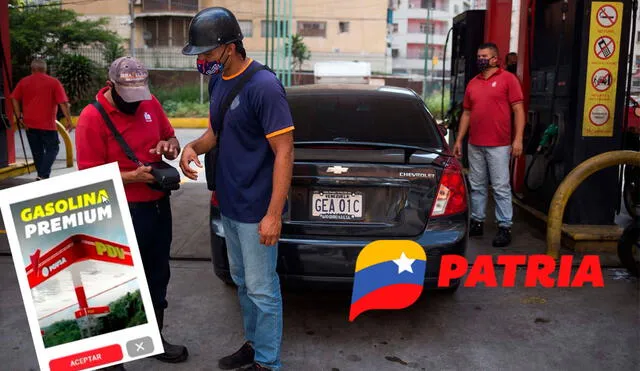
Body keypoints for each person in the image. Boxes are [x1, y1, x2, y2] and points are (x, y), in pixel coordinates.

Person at [179, 7, 294, 371]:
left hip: (257, 208)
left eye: (207, 53)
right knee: (243, 284)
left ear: (230, 47)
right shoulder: (219, 81)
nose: (202, 60)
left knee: (262, 289)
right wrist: (192, 147)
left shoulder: (264, 86)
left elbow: (285, 151)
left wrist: (273, 214)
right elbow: (218, 130)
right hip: (228, 203)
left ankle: (268, 362)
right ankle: (254, 345)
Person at [74, 56, 189, 369]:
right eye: (129, 96)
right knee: (119, 283)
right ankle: (113, 357)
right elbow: (87, 175)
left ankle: (151, 339)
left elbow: (172, 139)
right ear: (111, 86)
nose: (137, 103)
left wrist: (168, 146)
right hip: (118, 210)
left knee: (157, 275)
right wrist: (131, 177)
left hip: (156, 206)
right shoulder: (91, 118)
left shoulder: (150, 102)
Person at [452, 43, 525, 247]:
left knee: (501, 187)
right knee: (477, 185)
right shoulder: (473, 83)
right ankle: (477, 221)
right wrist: (459, 140)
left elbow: (518, 110)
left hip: (500, 144)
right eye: (478, 55)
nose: (480, 59)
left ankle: (504, 226)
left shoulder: (508, 79)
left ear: (495, 59)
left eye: (484, 55)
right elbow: (467, 113)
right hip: (475, 143)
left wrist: (518, 139)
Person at [10, 58, 73, 180]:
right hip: (47, 124)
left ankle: (42, 176)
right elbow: (63, 103)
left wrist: (19, 116)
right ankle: (43, 175)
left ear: (32, 69)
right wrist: (69, 121)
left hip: (29, 124)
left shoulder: (24, 82)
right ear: (45, 69)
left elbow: (14, 98)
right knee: (53, 149)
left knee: (37, 152)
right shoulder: (53, 82)